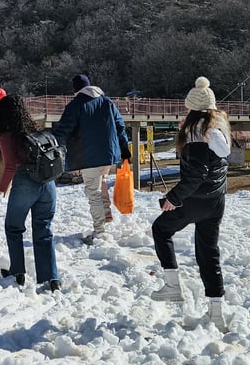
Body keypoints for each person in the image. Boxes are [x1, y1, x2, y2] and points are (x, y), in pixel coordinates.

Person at [149, 77, 231, 332]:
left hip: (195, 200)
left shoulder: (197, 132)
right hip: (216, 201)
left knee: (161, 230)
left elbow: (197, 174)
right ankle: (216, 314)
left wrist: (173, 198)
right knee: (209, 252)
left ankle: (173, 286)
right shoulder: (219, 127)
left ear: (192, 108)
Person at [0, 95, 61, 291]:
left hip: (25, 183)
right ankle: (52, 278)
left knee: (13, 228)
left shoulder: (6, 135)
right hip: (48, 184)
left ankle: (17, 273)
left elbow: (10, 166)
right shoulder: (34, 130)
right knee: (43, 229)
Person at [52, 73, 132, 244]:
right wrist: (125, 149)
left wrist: (50, 143)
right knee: (101, 182)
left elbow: (63, 129)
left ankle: (99, 230)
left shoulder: (76, 104)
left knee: (93, 191)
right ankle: (107, 215)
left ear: (75, 89)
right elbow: (120, 125)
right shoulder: (107, 101)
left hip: (89, 155)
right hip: (110, 154)